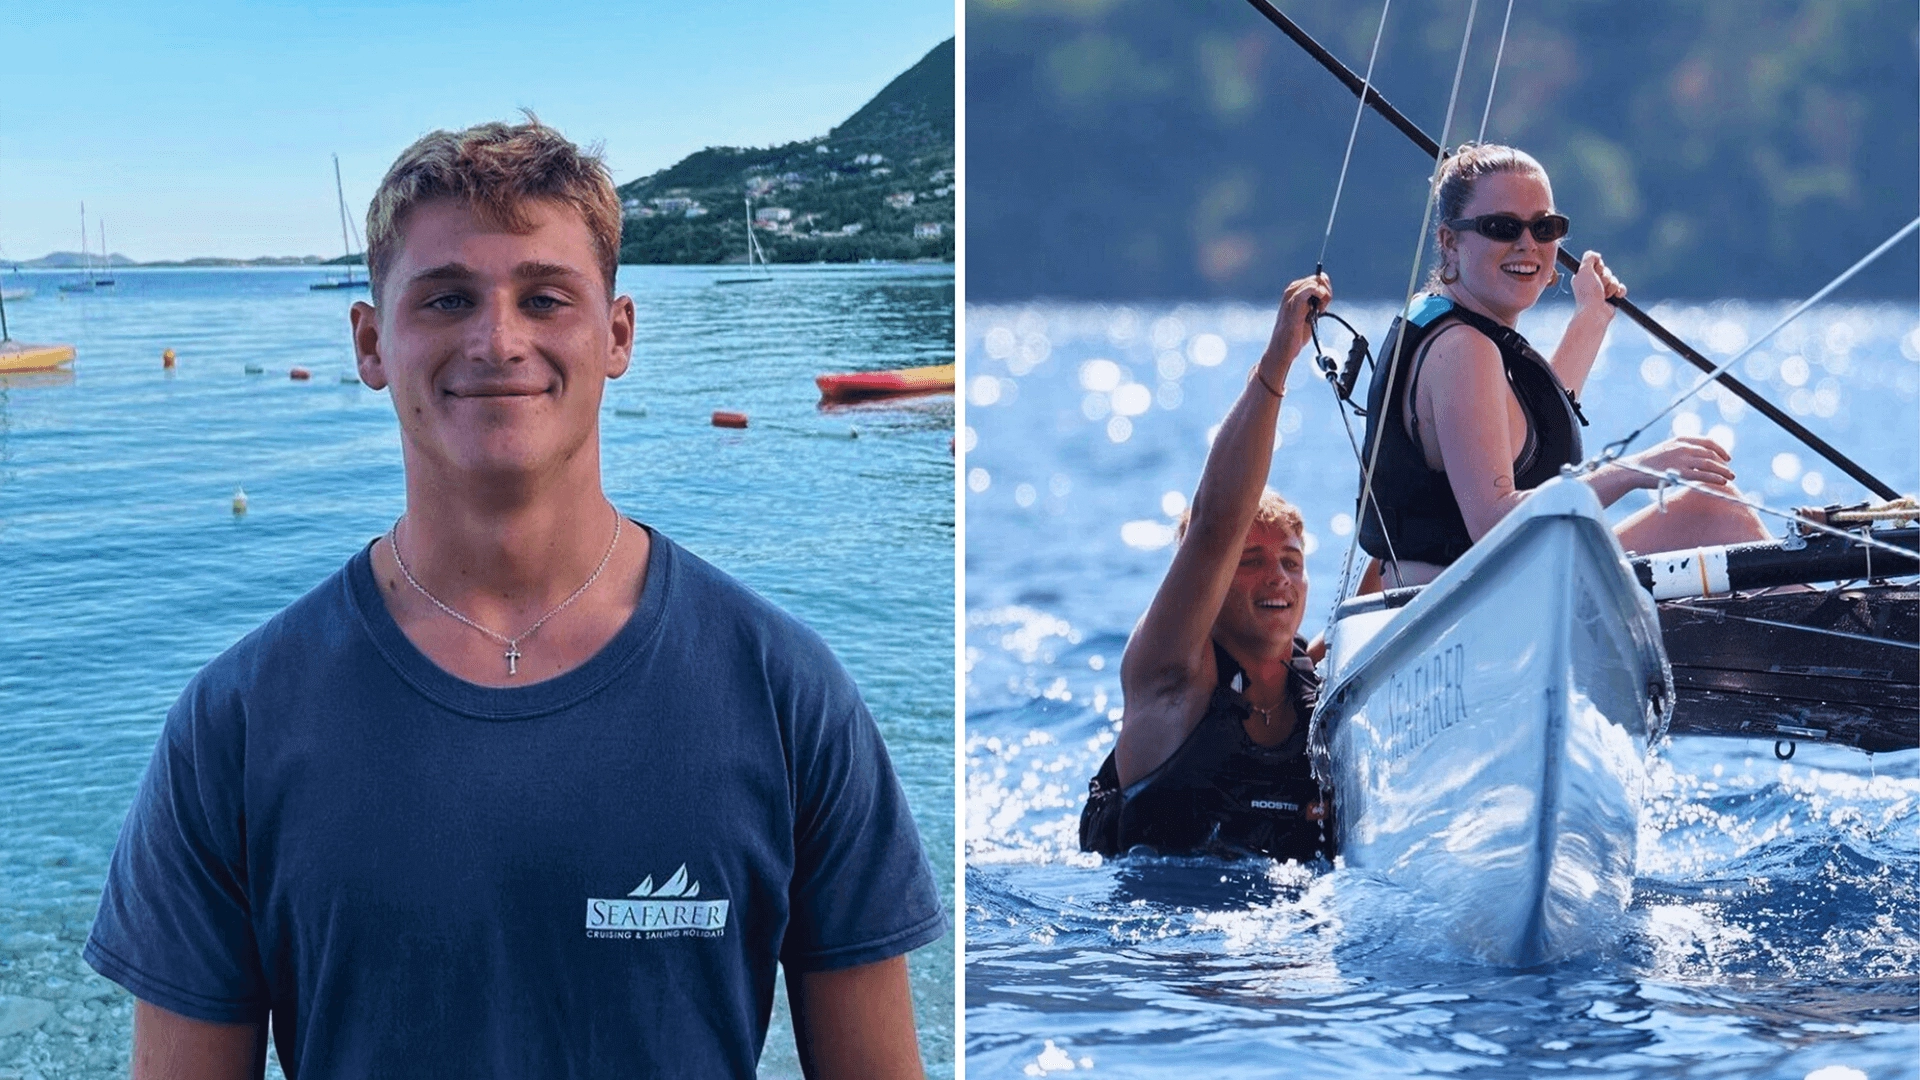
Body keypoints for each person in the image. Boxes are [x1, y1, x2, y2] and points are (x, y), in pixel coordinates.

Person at [83, 119, 944, 1078]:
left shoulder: (783, 695)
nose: (498, 341)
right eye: (447, 299)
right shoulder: (236, 725)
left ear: (616, 334)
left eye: (544, 297)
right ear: (371, 344)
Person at [1357, 142, 1768, 588]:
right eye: (1502, 227)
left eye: (1544, 227)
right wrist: (1635, 470)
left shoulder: (1438, 318)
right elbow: (1493, 524)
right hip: (1465, 614)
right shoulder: (1463, 350)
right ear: (1450, 242)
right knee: (1715, 513)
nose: (1527, 244)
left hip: (1472, 597)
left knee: (1714, 515)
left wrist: (1591, 319)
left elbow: (1532, 432)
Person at [1080, 274, 1336, 864]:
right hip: (1161, 939)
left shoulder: (1321, 691)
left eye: (1291, 562)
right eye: (1252, 561)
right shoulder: (1167, 676)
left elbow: (1417, 553)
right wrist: (1278, 363)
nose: (1279, 577)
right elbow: (1215, 524)